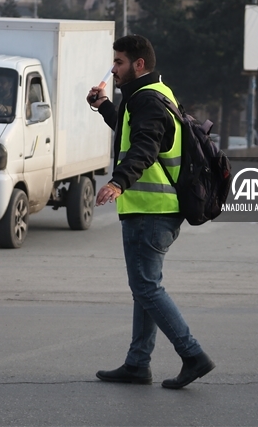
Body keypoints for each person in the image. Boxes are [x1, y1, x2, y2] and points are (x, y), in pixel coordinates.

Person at [86, 35, 215, 389]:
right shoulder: (151, 96)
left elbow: (143, 147)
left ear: (138, 64)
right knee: (145, 288)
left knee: (147, 288)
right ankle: (137, 363)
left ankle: (193, 355)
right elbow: (134, 134)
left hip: (151, 210)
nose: (113, 69)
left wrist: (118, 183)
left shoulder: (148, 101)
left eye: (119, 62)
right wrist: (106, 108)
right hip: (152, 210)